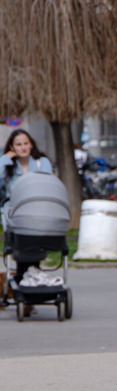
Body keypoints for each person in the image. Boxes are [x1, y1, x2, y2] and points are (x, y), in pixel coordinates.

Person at [1, 129, 56, 315]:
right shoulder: (8, 167)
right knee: (21, 249)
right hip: (15, 215)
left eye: (25, 143)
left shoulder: (42, 163)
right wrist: (4, 159)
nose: (23, 147)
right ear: (12, 147)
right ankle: (26, 294)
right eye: (18, 144)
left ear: (31, 144)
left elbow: (47, 186)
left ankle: (28, 294)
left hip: (37, 213)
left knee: (32, 249)